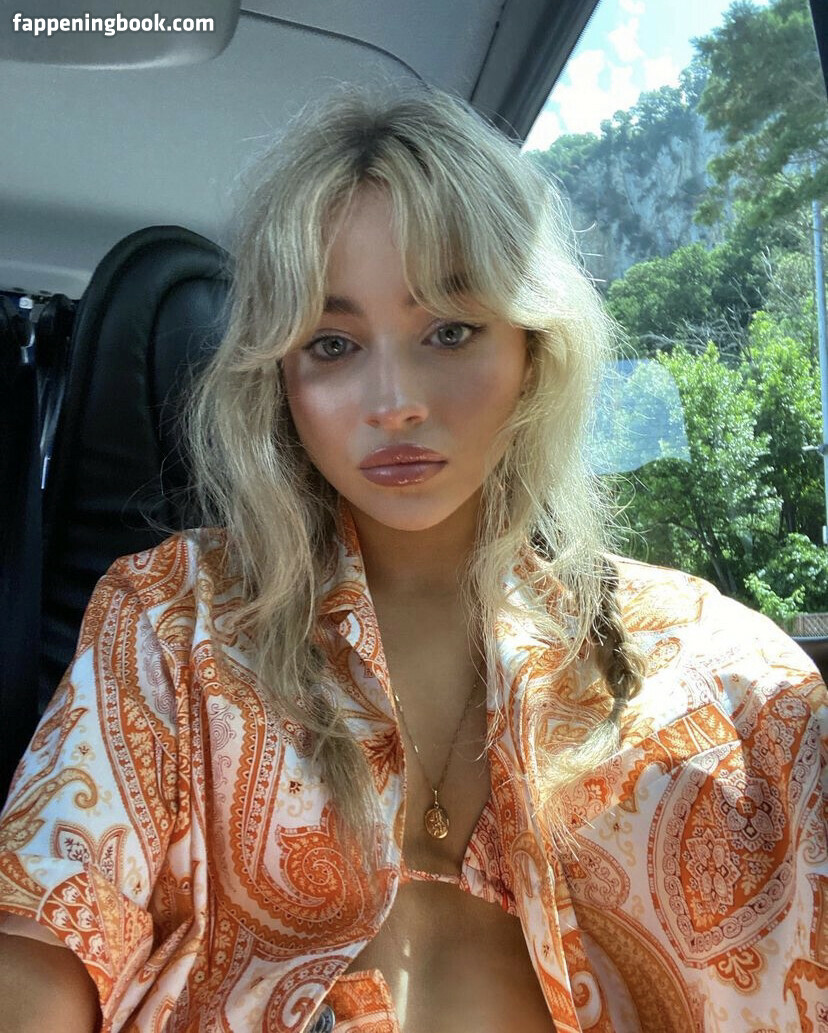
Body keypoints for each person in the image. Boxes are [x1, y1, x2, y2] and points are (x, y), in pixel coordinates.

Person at [0, 81, 825, 1033]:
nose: (394, 401)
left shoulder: (722, 677)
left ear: (532, 348)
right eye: (333, 343)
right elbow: (48, 930)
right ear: (279, 377)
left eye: (450, 330)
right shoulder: (170, 622)